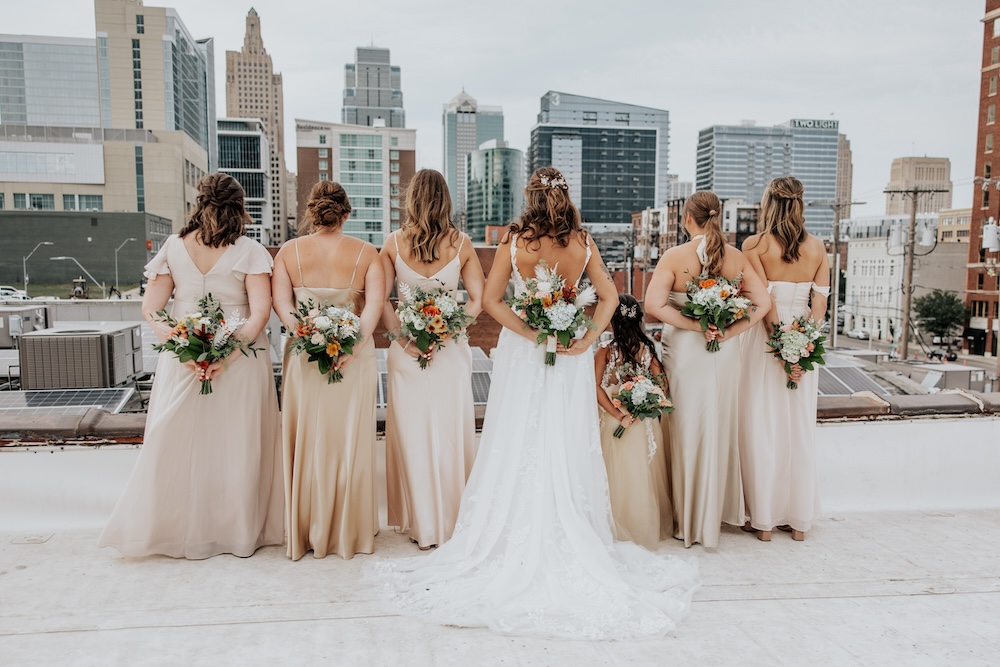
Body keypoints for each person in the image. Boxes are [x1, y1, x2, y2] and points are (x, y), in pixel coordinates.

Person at [369, 167, 698, 641]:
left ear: (531, 197)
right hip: (566, 362)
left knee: (517, 435)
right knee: (562, 440)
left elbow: (494, 301)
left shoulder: (516, 240)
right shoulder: (582, 242)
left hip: (526, 357)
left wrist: (531, 334)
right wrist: (584, 338)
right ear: (565, 198)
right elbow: (609, 297)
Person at [99, 173, 283, 559]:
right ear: (239, 207)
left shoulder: (172, 247)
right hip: (241, 363)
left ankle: (175, 531)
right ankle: (235, 532)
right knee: (236, 443)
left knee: (180, 442)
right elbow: (260, 314)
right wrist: (224, 355)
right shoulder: (249, 250)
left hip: (184, 364)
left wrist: (187, 347)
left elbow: (151, 310)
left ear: (198, 203)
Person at [645, 190, 771, 549]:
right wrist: (728, 331)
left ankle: (687, 517)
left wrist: (692, 326)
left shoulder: (674, 256)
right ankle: (711, 514)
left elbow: (653, 305)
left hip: (686, 351)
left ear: (687, 219)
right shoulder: (736, 257)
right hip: (724, 352)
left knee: (684, 425)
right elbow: (762, 304)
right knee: (717, 424)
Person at [272, 181, 384, 560]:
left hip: (304, 358)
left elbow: (283, 307)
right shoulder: (368, 253)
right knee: (348, 438)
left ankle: (307, 531)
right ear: (346, 213)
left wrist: (306, 334)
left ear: (311, 212)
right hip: (354, 359)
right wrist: (350, 347)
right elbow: (372, 310)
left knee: (308, 436)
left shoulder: (288, 252)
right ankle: (349, 531)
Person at [380, 169, 484, 550]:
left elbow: (384, 303)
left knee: (413, 435)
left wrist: (405, 340)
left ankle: (422, 524)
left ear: (411, 199)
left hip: (407, 354)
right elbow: (477, 301)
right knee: (450, 432)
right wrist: (448, 330)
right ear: (446, 200)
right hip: (450, 352)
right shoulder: (462, 244)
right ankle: (454, 521)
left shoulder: (392, 243)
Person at [739, 177, 830, 542]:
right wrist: (802, 347)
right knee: (798, 430)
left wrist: (781, 346)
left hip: (764, 347)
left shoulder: (754, 246)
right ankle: (797, 522)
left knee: (762, 428)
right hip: (804, 350)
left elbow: (765, 305)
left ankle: (762, 521)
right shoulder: (818, 248)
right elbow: (819, 305)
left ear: (768, 204)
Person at [594, 294, 673, 550]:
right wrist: (645, 404)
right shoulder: (647, 350)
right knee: (641, 473)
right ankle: (642, 525)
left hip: (614, 419)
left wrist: (618, 415)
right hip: (642, 422)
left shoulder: (605, 352)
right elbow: (663, 385)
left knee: (616, 473)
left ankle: (616, 525)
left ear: (612, 322)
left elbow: (594, 387)